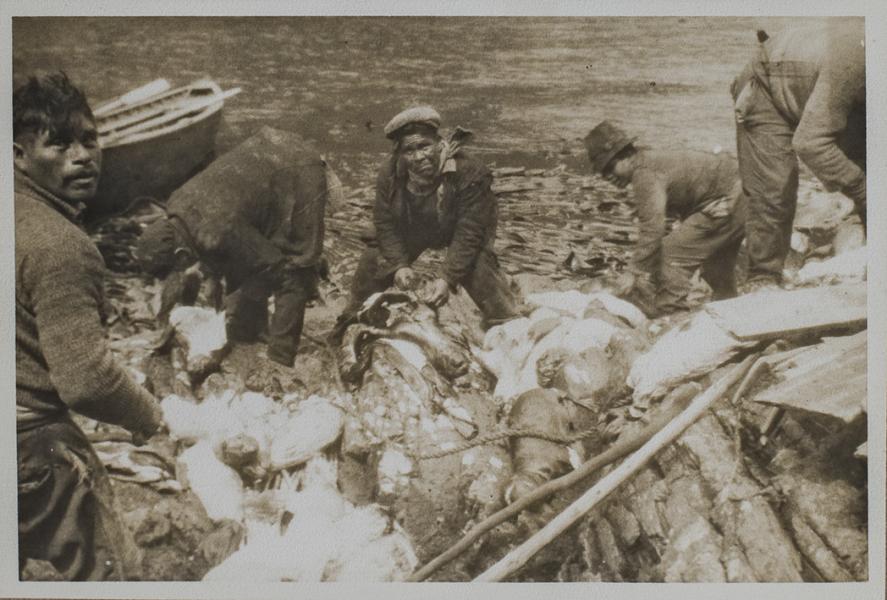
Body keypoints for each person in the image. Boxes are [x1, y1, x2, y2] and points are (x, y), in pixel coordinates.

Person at [14, 72, 163, 580]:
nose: (82, 156)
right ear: (18, 155)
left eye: (90, 140)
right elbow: (88, 380)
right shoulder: (60, 245)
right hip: (30, 445)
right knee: (110, 573)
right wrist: (151, 419)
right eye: (59, 145)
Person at [135, 126, 330, 368]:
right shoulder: (177, 202)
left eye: (179, 267)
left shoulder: (217, 233)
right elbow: (231, 259)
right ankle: (252, 326)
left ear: (181, 254)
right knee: (248, 258)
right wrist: (166, 320)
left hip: (298, 169)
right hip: (267, 145)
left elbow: (274, 266)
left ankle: (280, 360)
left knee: (292, 273)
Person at [335, 106, 519, 332]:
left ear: (437, 141)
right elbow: (384, 223)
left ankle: (505, 323)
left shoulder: (470, 171)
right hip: (414, 225)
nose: (419, 156)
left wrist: (446, 278)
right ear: (399, 153)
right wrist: (399, 266)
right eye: (409, 150)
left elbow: (469, 233)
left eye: (424, 146)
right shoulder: (390, 173)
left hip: (459, 225)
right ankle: (351, 322)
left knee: (479, 265)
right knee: (374, 260)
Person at [731, 19, 865, 290]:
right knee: (775, 187)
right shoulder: (855, 61)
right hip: (768, 86)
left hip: (817, 85)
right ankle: (763, 279)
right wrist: (863, 188)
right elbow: (810, 143)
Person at [584, 120, 747, 316]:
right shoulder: (650, 160)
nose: (607, 177)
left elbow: (653, 228)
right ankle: (730, 311)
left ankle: (673, 314)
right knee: (715, 264)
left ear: (626, 157)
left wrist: (633, 271)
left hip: (728, 200)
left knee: (669, 255)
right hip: (742, 193)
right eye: (603, 173)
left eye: (609, 168)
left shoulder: (644, 175)